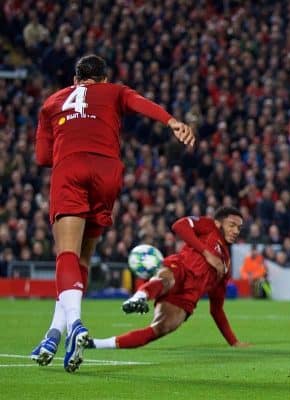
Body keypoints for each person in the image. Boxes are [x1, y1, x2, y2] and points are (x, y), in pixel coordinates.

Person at [31, 54, 195, 372]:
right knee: (82, 259)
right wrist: (173, 122)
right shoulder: (115, 91)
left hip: (71, 168)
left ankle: (75, 323)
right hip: (107, 172)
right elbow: (141, 103)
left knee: (66, 254)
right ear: (103, 79)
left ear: (76, 79)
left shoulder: (52, 102)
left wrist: (70, 138)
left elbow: (41, 157)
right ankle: (55, 331)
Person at [87, 206, 250, 350]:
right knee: (167, 279)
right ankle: (139, 297)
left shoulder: (226, 264)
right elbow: (179, 225)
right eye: (232, 225)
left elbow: (216, 309)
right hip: (181, 268)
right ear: (218, 223)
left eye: (239, 228)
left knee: (161, 328)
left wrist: (233, 341)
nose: (236, 231)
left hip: (187, 298)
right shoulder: (208, 226)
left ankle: (95, 344)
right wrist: (207, 254)